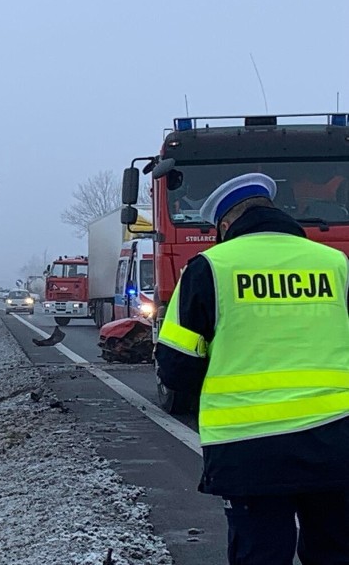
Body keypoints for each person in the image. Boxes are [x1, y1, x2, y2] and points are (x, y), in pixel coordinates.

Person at [154, 173, 349, 565]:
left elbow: (175, 367)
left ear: (224, 224)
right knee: (335, 551)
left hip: (248, 450)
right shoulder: (336, 263)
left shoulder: (209, 267)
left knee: (261, 553)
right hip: (336, 443)